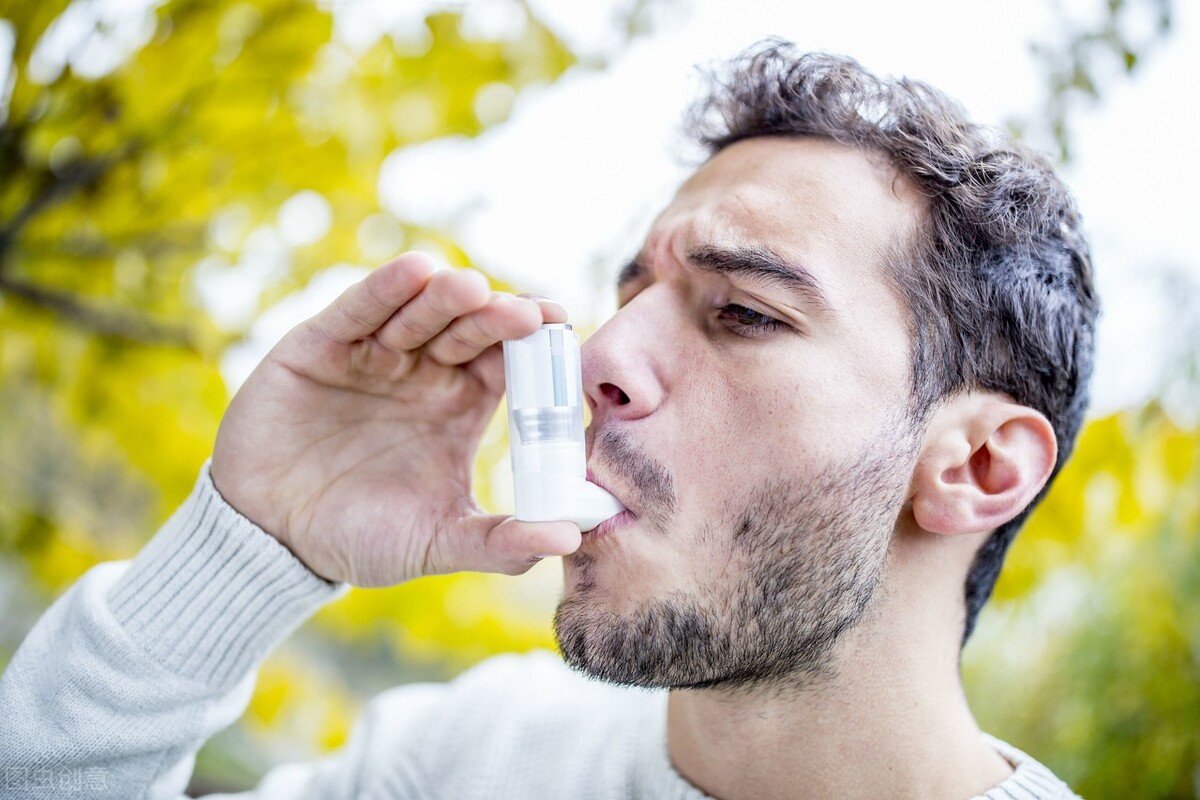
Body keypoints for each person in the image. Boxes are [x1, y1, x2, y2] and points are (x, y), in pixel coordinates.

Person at [0, 41, 1096, 799]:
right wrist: (248, 543)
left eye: (745, 313)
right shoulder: (469, 753)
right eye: (630, 295)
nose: (598, 357)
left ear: (977, 465)